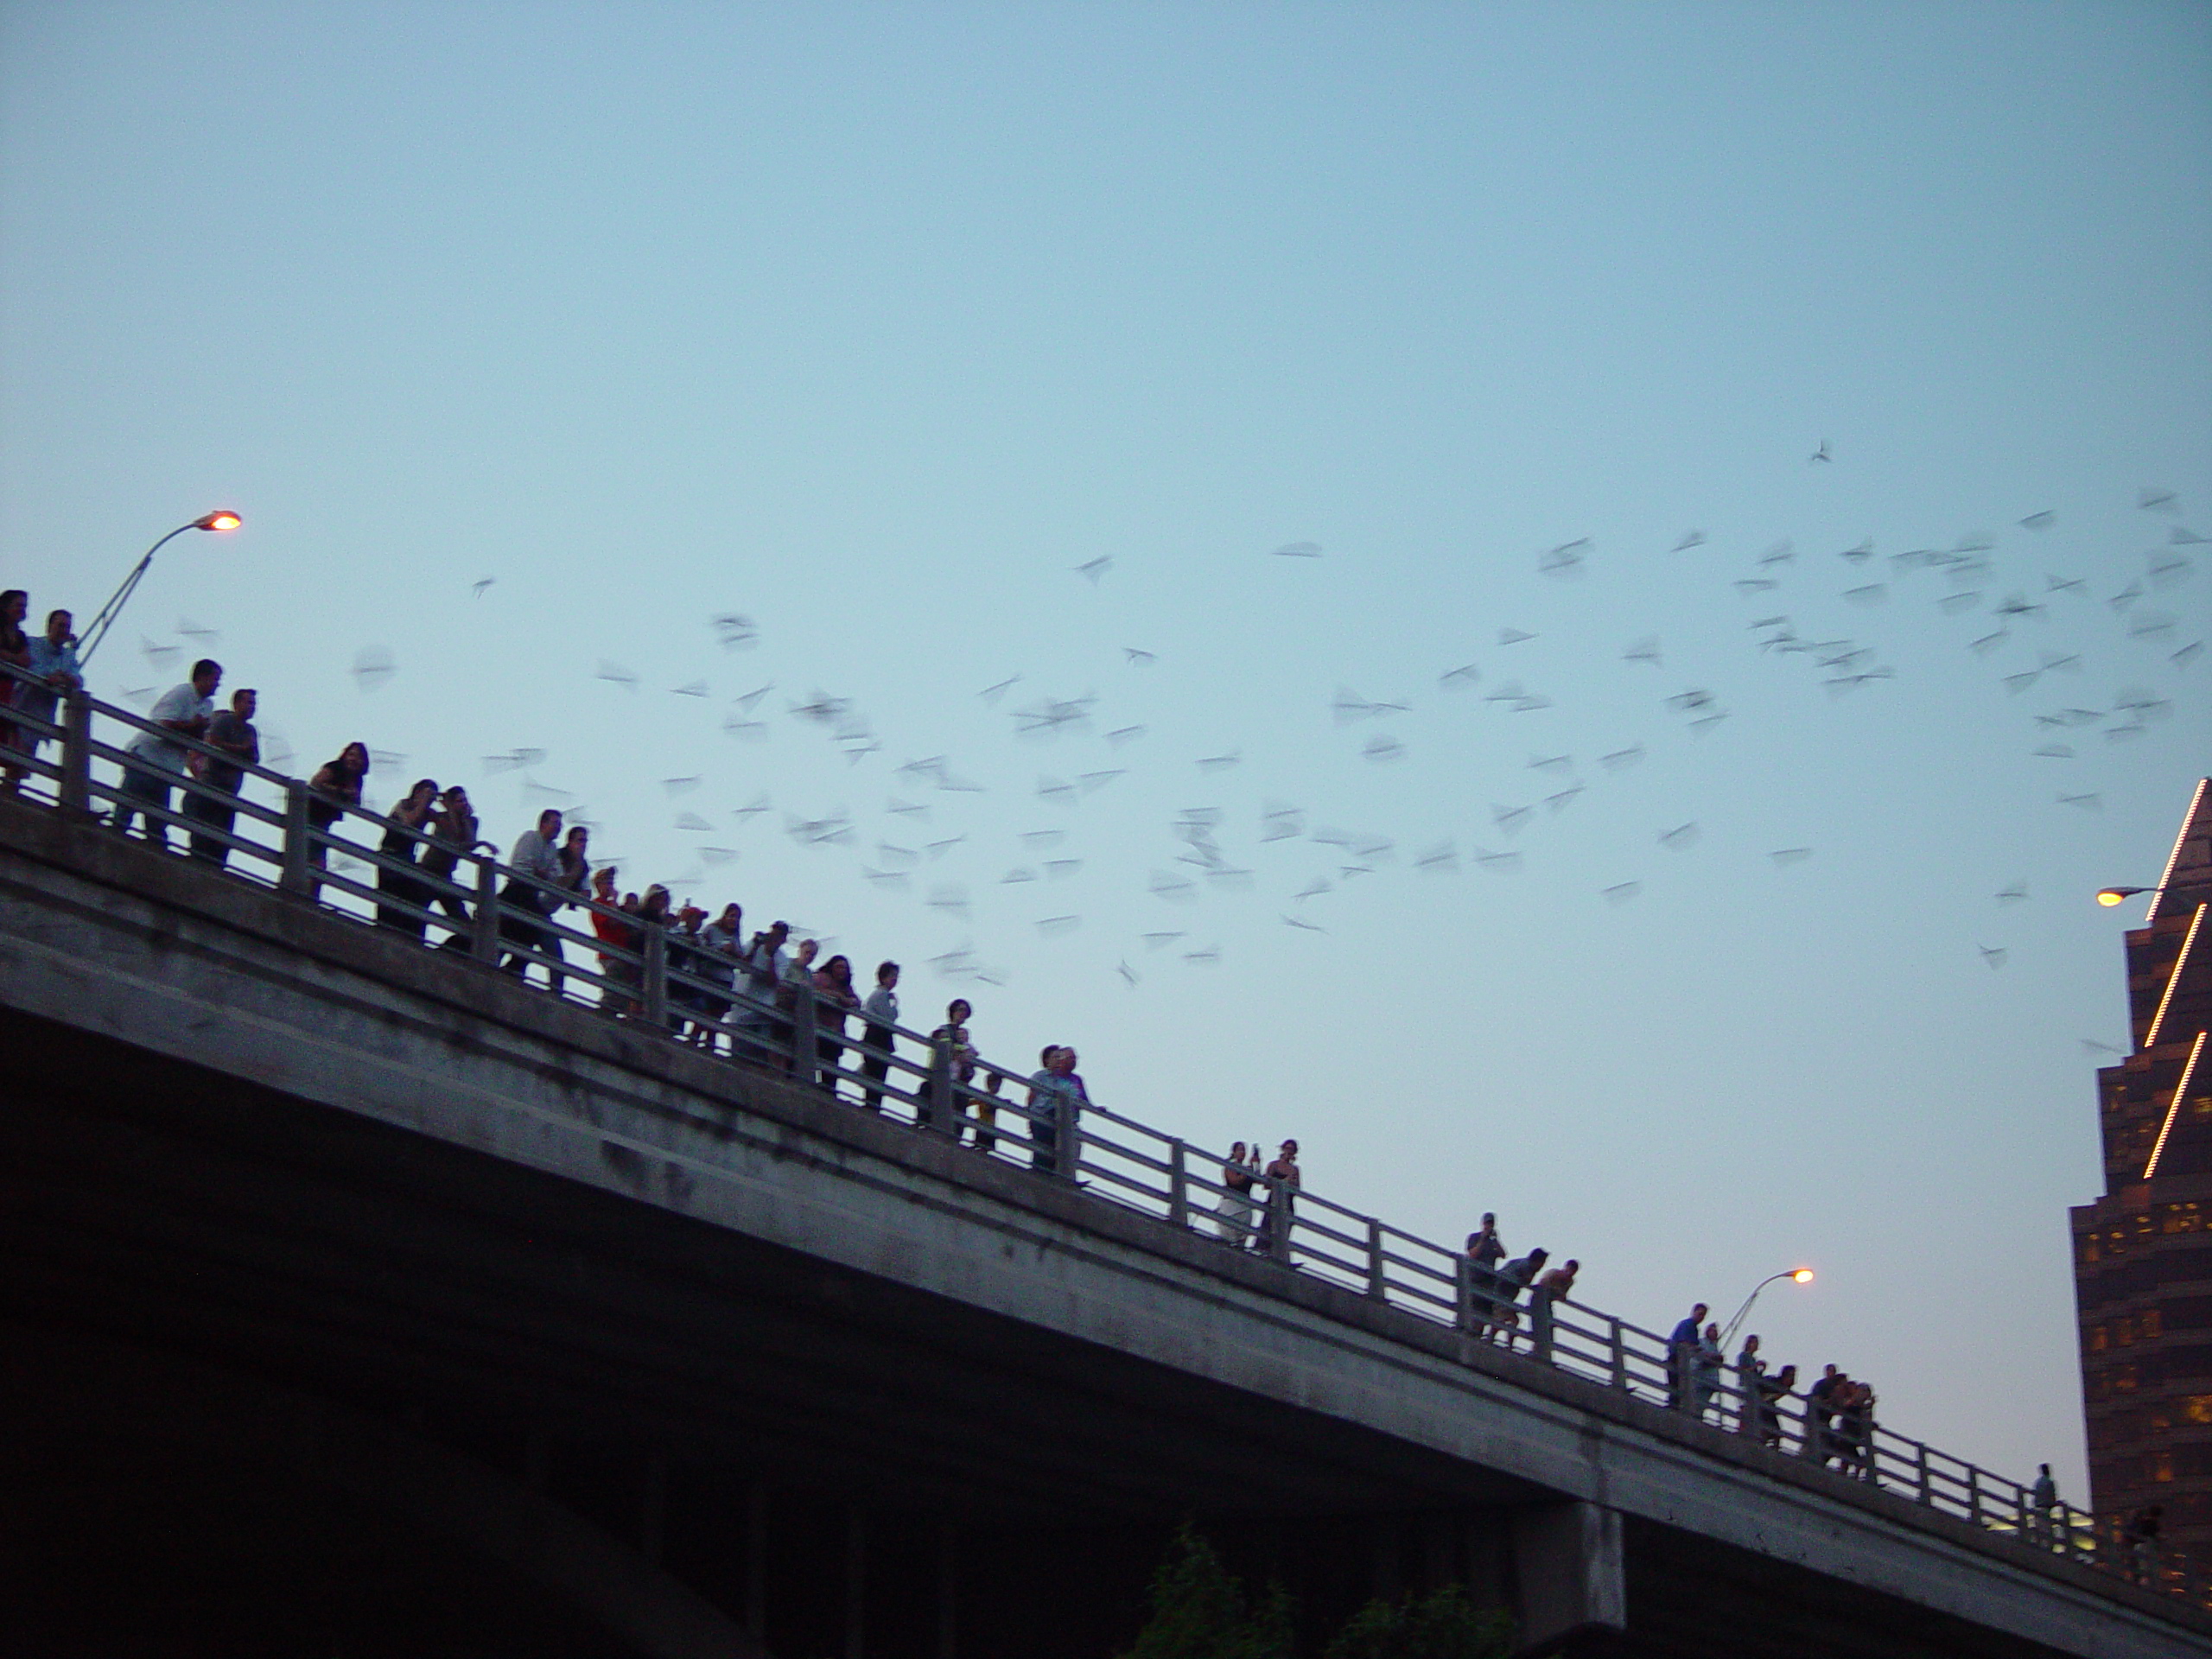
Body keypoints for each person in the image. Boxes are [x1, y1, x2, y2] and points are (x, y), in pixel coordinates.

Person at [113, 658, 219, 846]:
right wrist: (192, 726)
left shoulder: (207, 705)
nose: (217, 684)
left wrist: (196, 728)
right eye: (214, 679)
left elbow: (198, 735)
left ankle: (151, 859)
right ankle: (112, 843)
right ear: (201, 677)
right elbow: (162, 724)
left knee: (157, 823)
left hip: (168, 767)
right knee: (126, 811)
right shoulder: (182, 693)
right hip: (147, 757)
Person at [185, 687, 259, 867]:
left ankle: (215, 867)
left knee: (222, 839)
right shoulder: (225, 721)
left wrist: (237, 750)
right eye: (248, 702)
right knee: (202, 833)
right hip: (211, 784)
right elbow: (213, 744)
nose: (252, 707)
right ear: (237, 703)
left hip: (230, 790)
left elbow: (254, 757)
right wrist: (240, 750)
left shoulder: (250, 730)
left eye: (254, 704)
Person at [498, 808, 566, 978]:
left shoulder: (552, 848)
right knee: (506, 935)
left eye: (560, 824)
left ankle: (512, 973)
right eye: (555, 823)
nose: (559, 827)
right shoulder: (530, 838)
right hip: (517, 893)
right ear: (543, 823)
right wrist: (542, 875)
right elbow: (522, 868)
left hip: (533, 897)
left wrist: (542, 874)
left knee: (527, 939)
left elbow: (556, 877)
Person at [420, 785, 493, 939]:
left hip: (445, 874)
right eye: (459, 801)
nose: (464, 804)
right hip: (428, 869)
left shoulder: (472, 821)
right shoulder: (442, 818)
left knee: (463, 922)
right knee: (419, 914)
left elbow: (470, 843)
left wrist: (465, 819)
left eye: (465, 800)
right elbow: (453, 843)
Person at [18, 607, 81, 779]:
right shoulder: (31, 644)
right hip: (19, 707)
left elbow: (77, 680)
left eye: (67, 627)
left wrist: (62, 677)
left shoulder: (68, 655)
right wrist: (54, 676)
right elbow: (31, 667)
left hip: (40, 716)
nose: (64, 631)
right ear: (49, 627)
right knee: (14, 758)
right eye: (60, 625)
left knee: (21, 766)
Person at [375, 778, 439, 935]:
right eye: (427, 792)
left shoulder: (428, 812)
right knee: (388, 897)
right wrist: (422, 801)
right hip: (391, 854)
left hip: (408, 859)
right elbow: (410, 822)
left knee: (412, 897)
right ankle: (383, 930)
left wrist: (449, 805)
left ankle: (409, 933)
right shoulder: (403, 805)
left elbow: (447, 825)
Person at [305, 741, 369, 896]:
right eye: (352, 754)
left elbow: (356, 801)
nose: (354, 759)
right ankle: (304, 893)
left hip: (324, 822)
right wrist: (339, 792)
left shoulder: (357, 779)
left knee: (317, 861)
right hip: (310, 816)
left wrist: (351, 795)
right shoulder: (334, 767)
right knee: (311, 859)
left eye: (359, 757)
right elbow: (316, 783)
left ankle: (311, 896)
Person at [587, 866, 642, 1013]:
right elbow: (612, 922)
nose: (609, 886)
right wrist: (614, 901)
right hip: (610, 955)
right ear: (598, 885)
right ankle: (602, 1017)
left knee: (622, 996)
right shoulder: (598, 904)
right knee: (611, 993)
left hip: (621, 955)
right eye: (606, 882)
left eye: (611, 882)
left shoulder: (613, 905)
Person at [733, 921, 790, 1065]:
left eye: (779, 936)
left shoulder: (782, 959)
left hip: (763, 1014)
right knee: (738, 1057)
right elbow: (742, 966)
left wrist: (770, 956)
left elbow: (773, 981)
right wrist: (756, 945)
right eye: (773, 934)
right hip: (741, 1011)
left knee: (759, 1060)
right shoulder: (754, 945)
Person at [1026, 1045, 1085, 1176]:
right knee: (1042, 1147)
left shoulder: (1062, 1080)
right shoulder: (1040, 1076)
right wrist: (1029, 1117)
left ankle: (1058, 1175)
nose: (1059, 1060)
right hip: (1041, 1115)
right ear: (1047, 1060)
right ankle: (1038, 1173)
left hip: (1057, 1117)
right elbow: (1031, 1096)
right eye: (1055, 1057)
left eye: (1060, 1057)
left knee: (1057, 1148)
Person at [692, 902, 743, 1050]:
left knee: (715, 1020)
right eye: (732, 916)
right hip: (709, 977)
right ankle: (692, 1042)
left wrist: (733, 951)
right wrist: (721, 948)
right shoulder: (712, 929)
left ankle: (709, 1049)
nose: (734, 920)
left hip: (726, 982)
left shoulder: (735, 937)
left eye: (737, 918)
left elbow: (741, 958)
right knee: (702, 1016)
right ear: (725, 915)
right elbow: (701, 946)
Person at [923, 1000, 977, 1135]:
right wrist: (956, 1052)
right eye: (960, 1009)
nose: (962, 1013)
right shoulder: (945, 1030)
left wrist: (967, 1055)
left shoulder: (964, 1036)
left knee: (960, 1107)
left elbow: (972, 1055)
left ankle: (955, 1137)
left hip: (959, 1081)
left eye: (965, 1011)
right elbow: (937, 1042)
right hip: (941, 1076)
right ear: (952, 1012)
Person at [813, 954, 861, 1094]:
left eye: (845, 968)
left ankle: (828, 1094)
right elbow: (815, 989)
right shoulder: (822, 977)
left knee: (830, 1072)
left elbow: (857, 1002)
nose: (842, 971)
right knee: (810, 1064)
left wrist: (850, 1000)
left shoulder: (846, 987)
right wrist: (839, 997)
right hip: (818, 1031)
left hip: (835, 1034)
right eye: (839, 967)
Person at [858, 960, 899, 1110]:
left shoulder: (883, 995)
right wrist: (894, 1006)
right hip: (877, 1037)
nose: (895, 980)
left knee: (878, 1074)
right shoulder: (881, 995)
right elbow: (889, 1017)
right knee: (876, 1073)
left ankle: (873, 1104)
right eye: (892, 976)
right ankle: (872, 1106)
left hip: (879, 1037)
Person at [0, 590, 29, 789]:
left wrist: (7, 657)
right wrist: (13, 659)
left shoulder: (20, 636)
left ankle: (9, 790)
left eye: (24, 606)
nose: (22, 609)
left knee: (16, 748)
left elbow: (26, 661)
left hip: (8, 691)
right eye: (18, 605)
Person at [1491, 1247, 1549, 1349]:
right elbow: (1527, 1280)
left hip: (1503, 1294)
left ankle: (1502, 1342)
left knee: (1508, 1319)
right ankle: (1499, 1342)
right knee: (1505, 1319)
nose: (1542, 1266)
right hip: (1502, 1294)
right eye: (1542, 1262)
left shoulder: (1521, 1262)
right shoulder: (1527, 1266)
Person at [1257, 1138, 1300, 1258]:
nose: (1289, 1152)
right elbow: (1266, 1184)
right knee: (1267, 1229)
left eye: (1292, 1150)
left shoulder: (1295, 1169)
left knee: (1284, 1233)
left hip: (1288, 1203)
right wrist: (1285, 1181)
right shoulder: (1273, 1165)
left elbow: (1297, 1189)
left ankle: (1280, 1257)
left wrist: (1292, 1180)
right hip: (1273, 1202)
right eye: (1287, 1149)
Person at [1215, 1141, 1261, 1248]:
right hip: (1231, 1206)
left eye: (1244, 1150)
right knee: (1227, 1237)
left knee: (1241, 1240)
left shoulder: (1247, 1168)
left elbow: (1258, 1180)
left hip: (1244, 1206)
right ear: (1234, 1152)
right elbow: (1235, 1181)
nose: (1242, 1153)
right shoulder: (1230, 1166)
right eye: (1240, 1150)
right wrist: (1247, 1171)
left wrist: (1256, 1164)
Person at [1466, 1215, 1505, 1334]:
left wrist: (1496, 1240)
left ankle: (1479, 1334)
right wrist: (1482, 1239)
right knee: (1471, 1307)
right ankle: (1468, 1331)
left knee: (1485, 1311)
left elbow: (1503, 1254)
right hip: (1475, 1279)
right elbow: (1472, 1254)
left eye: (1491, 1223)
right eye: (1487, 1223)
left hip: (1489, 1282)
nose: (1489, 1226)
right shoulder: (1474, 1237)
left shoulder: (1493, 1242)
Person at [1667, 1304, 1709, 1412]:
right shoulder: (1688, 1324)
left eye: (1703, 1315)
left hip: (1683, 1360)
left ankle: (1675, 1407)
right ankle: (1673, 1408)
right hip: (1676, 1358)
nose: (1701, 1317)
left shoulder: (1693, 1328)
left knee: (1679, 1386)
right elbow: (1684, 1343)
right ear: (1694, 1312)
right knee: (1676, 1384)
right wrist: (1697, 1349)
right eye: (1700, 1314)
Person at [1756, 1362, 1796, 1449]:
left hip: (1768, 1407)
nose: (1793, 1379)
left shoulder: (1783, 1387)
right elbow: (1760, 1390)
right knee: (1768, 1430)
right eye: (1791, 1376)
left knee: (1777, 1433)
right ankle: (1760, 1446)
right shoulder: (1773, 1382)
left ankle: (1771, 1448)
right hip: (1761, 1406)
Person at [1733, 1334, 1766, 1436]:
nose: (1756, 1345)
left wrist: (1761, 1370)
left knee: (1751, 1410)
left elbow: (1755, 1376)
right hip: (1744, 1386)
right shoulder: (1743, 1355)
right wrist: (1755, 1367)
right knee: (1744, 1410)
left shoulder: (1753, 1359)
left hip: (1752, 1388)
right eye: (1755, 1343)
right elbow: (1742, 1370)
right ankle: (1741, 1430)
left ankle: (1748, 1431)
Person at [1692, 1322, 1726, 1422]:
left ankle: (1698, 1418)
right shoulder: (1701, 1342)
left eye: (1716, 1331)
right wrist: (1714, 1358)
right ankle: (1695, 1418)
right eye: (1713, 1330)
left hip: (1711, 1381)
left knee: (1703, 1404)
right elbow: (1701, 1356)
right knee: (1697, 1403)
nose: (1715, 1333)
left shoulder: (1715, 1346)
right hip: (1701, 1379)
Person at [2125, 1503, 2164, 1584]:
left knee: (2140, 1566)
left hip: (2137, 1546)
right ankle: (2145, 1583)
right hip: (2145, 1546)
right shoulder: (2151, 1523)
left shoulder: (2139, 1523)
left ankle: (2138, 1581)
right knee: (2146, 1567)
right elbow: (2152, 1535)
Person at [2028, 1463, 2059, 1546]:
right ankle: (2047, 1550)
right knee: (2047, 1531)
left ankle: (2037, 1547)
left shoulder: (2038, 1482)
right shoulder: (2050, 1482)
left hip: (2037, 1508)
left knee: (2039, 1529)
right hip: (2045, 1508)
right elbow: (2053, 1497)